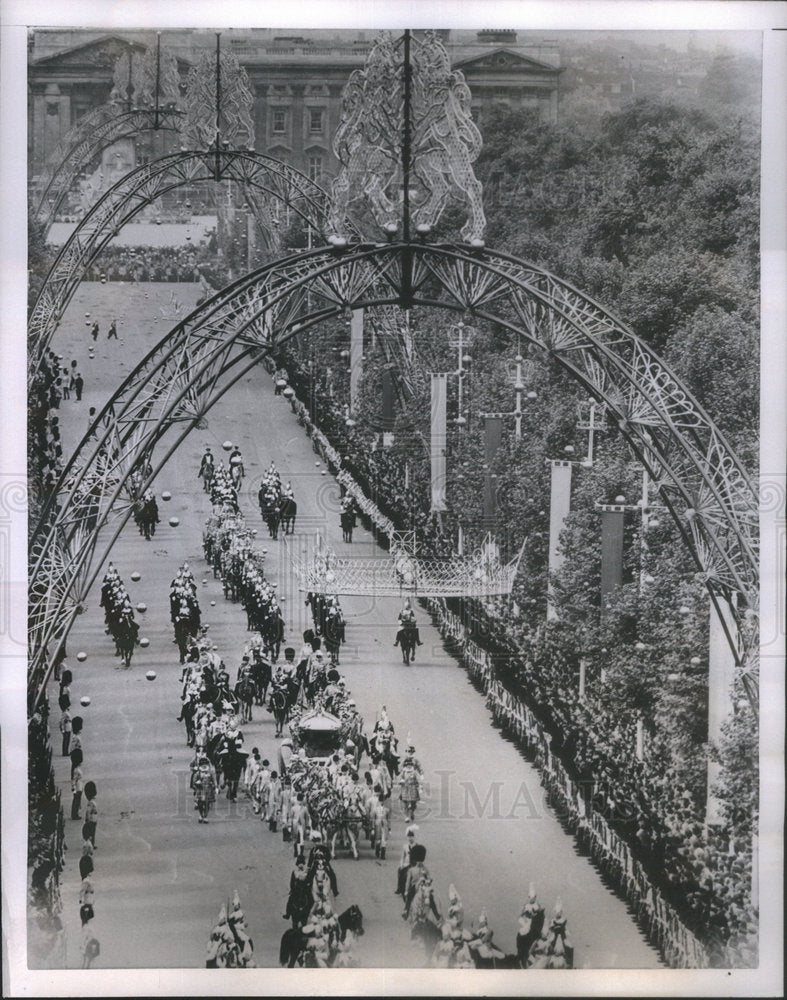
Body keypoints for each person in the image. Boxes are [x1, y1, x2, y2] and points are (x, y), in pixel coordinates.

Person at [396, 824, 419, 895]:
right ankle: (400, 888)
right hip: (406, 864)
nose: (410, 838)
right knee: (400, 870)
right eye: (409, 837)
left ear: (414, 837)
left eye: (411, 837)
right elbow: (402, 857)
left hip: (414, 864)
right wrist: (401, 864)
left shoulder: (417, 846)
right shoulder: (405, 846)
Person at [84, 781, 98, 849]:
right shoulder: (91, 803)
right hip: (92, 820)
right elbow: (88, 811)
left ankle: (92, 844)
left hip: (93, 819)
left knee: (92, 833)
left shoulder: (91, 802)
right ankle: (90, 844)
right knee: (91, 833)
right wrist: (87, 819)